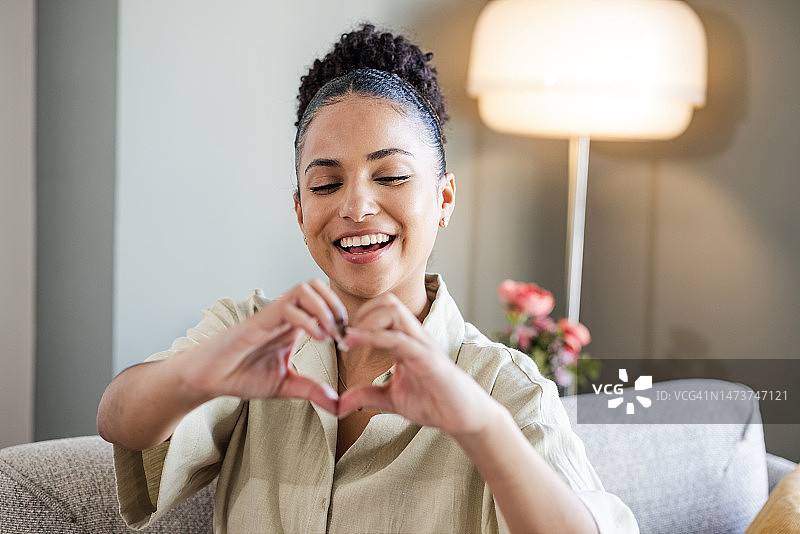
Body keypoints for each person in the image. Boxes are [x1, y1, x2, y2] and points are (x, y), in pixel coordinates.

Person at [97, 24, 638, 534]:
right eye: (327, 184)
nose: (356, 206)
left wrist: (481, 427)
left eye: (392, 176)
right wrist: (198, 372)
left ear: (444, 198)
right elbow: (118, 418)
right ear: (300, 209)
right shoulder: (251, 331)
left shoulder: (502, 388)